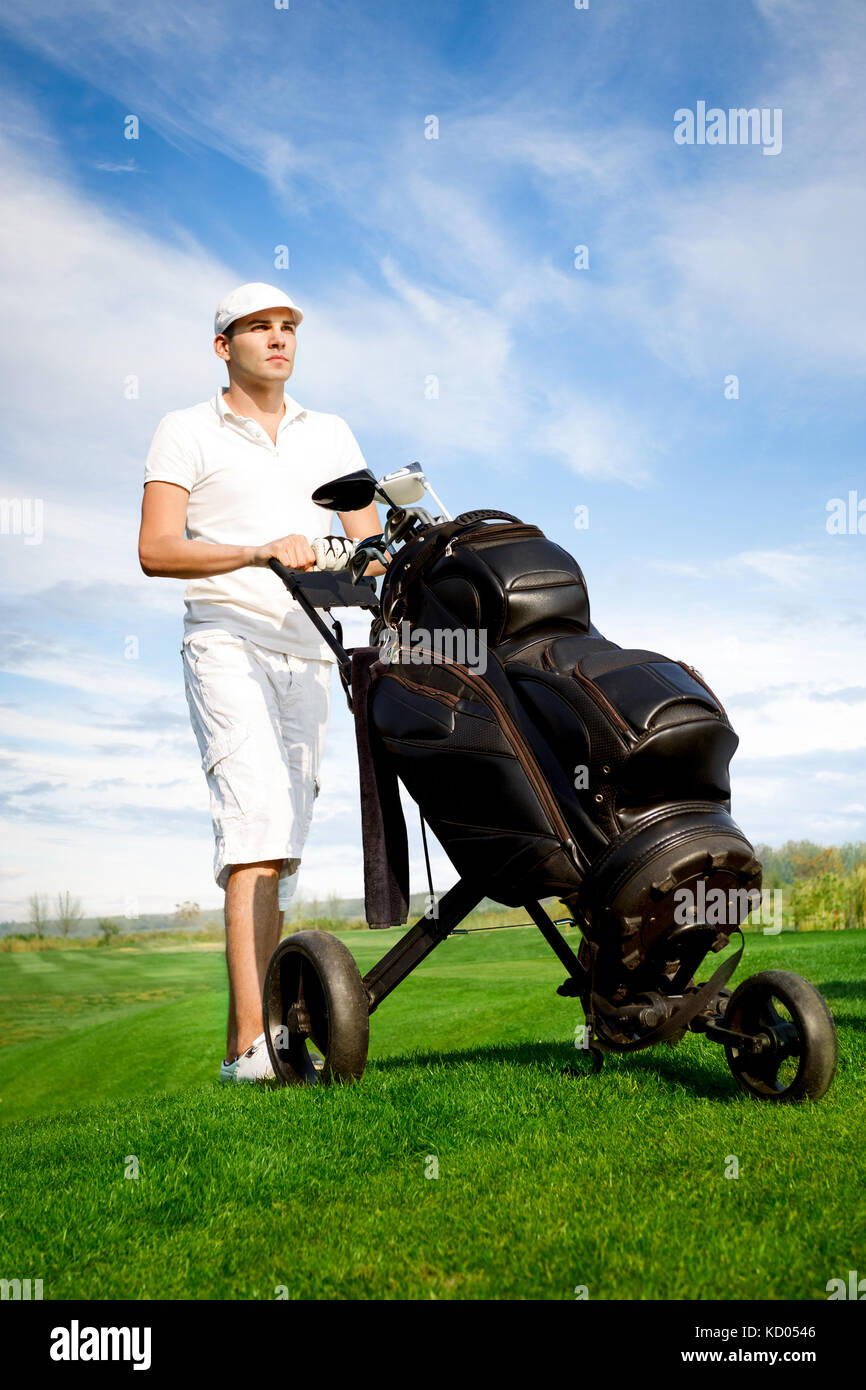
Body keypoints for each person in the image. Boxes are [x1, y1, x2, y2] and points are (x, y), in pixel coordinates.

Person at [138, 282, 385, 1083]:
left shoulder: (332, 431)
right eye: (258, 328)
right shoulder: (184, 430)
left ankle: (274, 1035)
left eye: (288, 327)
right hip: (226, 635)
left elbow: (373, 547)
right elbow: (157, 548)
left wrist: (374, 558)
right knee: (254, 827)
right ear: (224, 346)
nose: (278, 339)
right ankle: (249, 1049)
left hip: (312, 649)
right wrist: (257, 551)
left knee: (282, 848)